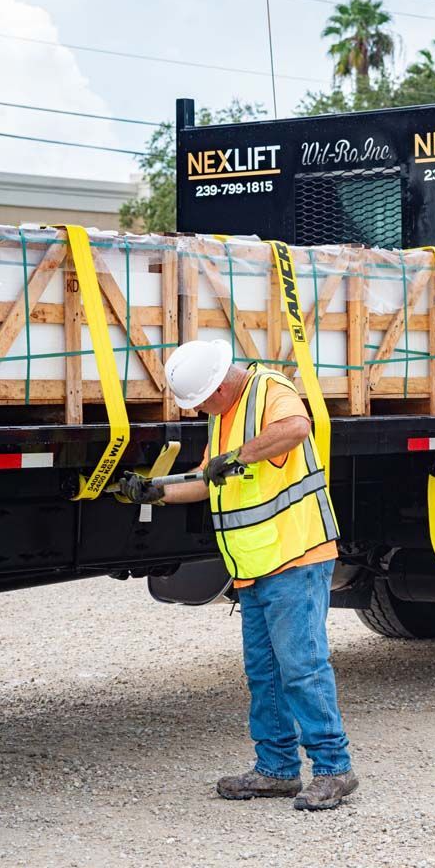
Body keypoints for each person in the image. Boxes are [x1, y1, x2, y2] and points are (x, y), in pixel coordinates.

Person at [119, 339, 357, 812]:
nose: (201, 408)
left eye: (203, 400)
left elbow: (296, 427)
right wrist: (155, 493)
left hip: (296, 554)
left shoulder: (270, 387)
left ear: (221, 383)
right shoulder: (222, 415)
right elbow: (208, 478)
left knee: (301, 668)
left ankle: (334, 768)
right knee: (265, 673)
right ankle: (276, 769)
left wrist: (241, 455)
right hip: (253, 566)